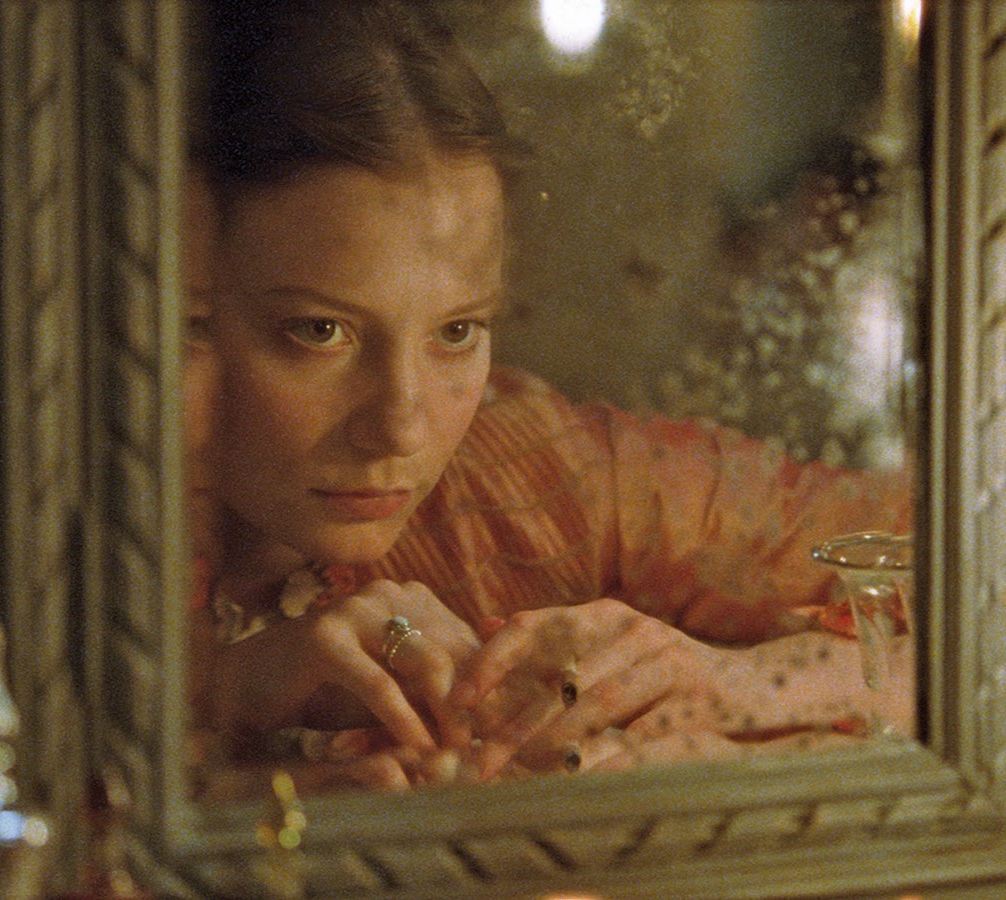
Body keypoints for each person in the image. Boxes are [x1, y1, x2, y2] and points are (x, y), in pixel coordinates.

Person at [184, 0, 913, 795]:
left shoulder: (532, 473)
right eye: (321, 331)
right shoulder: (85, 549)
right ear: (185, 311)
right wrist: (212, 701)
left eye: (457, 331)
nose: (402, 425)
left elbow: (974, 578)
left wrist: (740, 689)